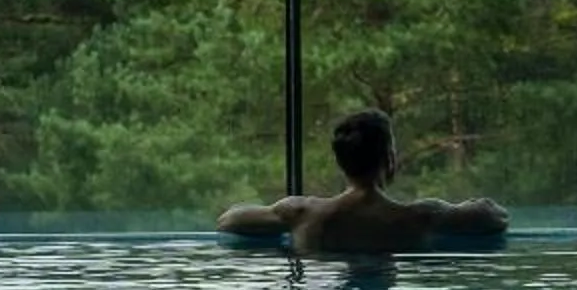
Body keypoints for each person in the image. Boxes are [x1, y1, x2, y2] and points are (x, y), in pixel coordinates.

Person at [215, 108, 509, 255]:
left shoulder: (302, 214)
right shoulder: (421, 217)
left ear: (341, 162)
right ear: (390, 158)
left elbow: (230, 220)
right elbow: (494, 217)